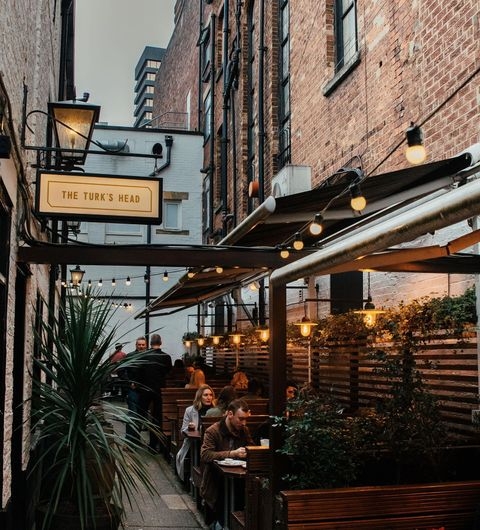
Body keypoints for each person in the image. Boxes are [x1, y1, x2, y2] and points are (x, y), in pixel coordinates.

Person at [200, 398, 254, 528]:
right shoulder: (213, 431)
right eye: (240, 419)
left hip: (238, 479)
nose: (244, 423)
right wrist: (232, 453)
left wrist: (250, 452)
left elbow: (251, 448)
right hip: (216, 480)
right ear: (230, 414)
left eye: (246, 419)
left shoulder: (244, 430)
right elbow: (205, 455)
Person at [137, 333, 173, 452]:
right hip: (159, 390)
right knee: (156, 418)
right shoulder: (166, 357)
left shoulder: (144, 356)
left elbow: (139, 372)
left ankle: (136, 442)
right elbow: (168, 371)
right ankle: (153, 445)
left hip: (144, 389)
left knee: (140, 415)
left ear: (150, 343)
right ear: (161, 342)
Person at [175, 384, 215, 479]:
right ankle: (194, 478)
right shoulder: (190, 410)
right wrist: (189, 428)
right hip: (194, 443)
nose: (209, 397)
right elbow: (182, 431)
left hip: (211, 443)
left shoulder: (215, 410)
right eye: (205, 395)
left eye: (210, 395)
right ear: (199, 396)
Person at [125, 336, 147, 443]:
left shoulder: (149, 356)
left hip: (145, 391)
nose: (141, 346)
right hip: (133, 390)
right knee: (132, 414)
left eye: (143, 345)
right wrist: (129, 383)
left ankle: (136, 439)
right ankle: (129, 440)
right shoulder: (130, 356)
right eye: (139, 344)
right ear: (136, 345)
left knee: (141, 416)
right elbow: (122, 370)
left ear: (146, 345)